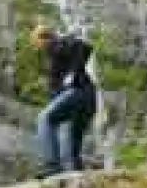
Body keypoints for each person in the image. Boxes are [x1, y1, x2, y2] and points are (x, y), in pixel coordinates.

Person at [31, 24, 98, 178]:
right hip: (87, 100)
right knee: (69, 153)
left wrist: (73, 74)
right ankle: (77, 179)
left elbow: (84, 46)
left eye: (37, 41)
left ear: (44, 38)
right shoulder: (55, 54)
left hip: (77, 92)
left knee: (45, 118)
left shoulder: (56, 44)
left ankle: (51, 165)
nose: (38, 46)